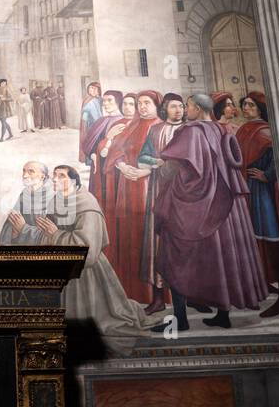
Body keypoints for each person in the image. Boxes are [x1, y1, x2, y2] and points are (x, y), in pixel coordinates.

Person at [150, 92, 267, 331]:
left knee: (174, 257)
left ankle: (180, 320)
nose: (185, 110)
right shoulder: (221, 130)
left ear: (196, 108)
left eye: (188, 106)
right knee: (222, 258)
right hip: (223, 208)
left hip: (193, 207)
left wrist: (159, 171)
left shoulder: (190, 132)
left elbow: (174, 169)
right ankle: (223, 316)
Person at [33, 164, 154, 336]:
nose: (55, 179)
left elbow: (87, 247)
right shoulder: (57, 201)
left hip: (85, 273)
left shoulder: (86, 204)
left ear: (74, 181)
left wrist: (55, 234)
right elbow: (49, 229)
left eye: (61, 176)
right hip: (62, 266)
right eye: (54, 175)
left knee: (85, 324)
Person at [236, 92, 279, 317]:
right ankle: (266, 284)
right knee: (256, 241)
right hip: (250, 191)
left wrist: (267, 175)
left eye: (250, 105)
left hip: (265, 193)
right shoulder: (244, 129)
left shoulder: (266, 130)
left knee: (274, 242)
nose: (246, 108)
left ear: (260, 108)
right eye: (244, 105)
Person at [104, 90, 160, 304]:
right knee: (130, 234)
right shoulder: (131, 125)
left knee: (150, 237)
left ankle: (153, 295)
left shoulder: (161, 127)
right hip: (127, 186)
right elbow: (115, 151)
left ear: (157, 105)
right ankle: (132, 291)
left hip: (152, 187)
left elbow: (169, 159)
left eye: (147, 103)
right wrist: (121, 165)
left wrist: (147, 171)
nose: (142, 107)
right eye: (139, 103)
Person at [136, 92, 186, 313]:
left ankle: (192, 296)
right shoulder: (155, 130)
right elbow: (142, 157)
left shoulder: (190, 130)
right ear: (165, 109)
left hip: (185, 193)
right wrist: (156, 161)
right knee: (157, 242)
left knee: (185, 242)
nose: (179, 110)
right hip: (159, 190)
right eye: (174, 107)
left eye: (181, 106)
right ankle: (158, 298)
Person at [0, 161, 52, 245]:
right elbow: (11, 222)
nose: (24, 175)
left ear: (42, 176)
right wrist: (13, 232)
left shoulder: (53, 196)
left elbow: (52, 233)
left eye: (31, 171)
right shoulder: (24, 194)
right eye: (24, 171)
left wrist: (23, 228)